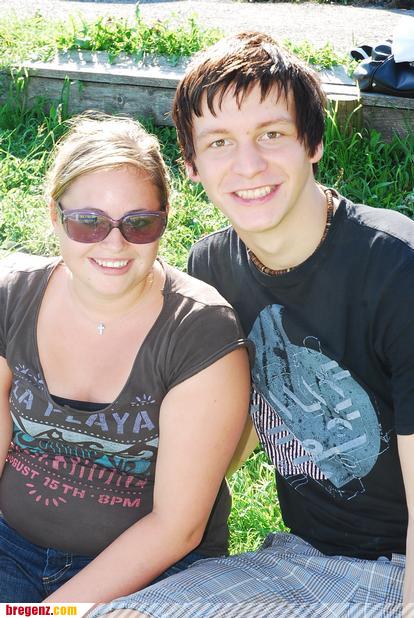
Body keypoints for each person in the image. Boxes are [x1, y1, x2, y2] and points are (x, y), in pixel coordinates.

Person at [90, 32, 414, 617]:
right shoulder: (212, 268)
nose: (248, 165)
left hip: (399, 566)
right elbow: (222, 437)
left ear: (313, 141)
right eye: (219, 142)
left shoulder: (397, 270)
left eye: (271, 134)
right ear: (191, 164)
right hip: (302, 559)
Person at [0, 112, 252, 603]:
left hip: (156, 573)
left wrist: (51, 615)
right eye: (88, 222)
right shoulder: (13, 298)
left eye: (138, 223)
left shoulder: (199, 332)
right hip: (12, 549)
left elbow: (176, 528)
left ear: (164, 219)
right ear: (55, 215)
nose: (113, 243)